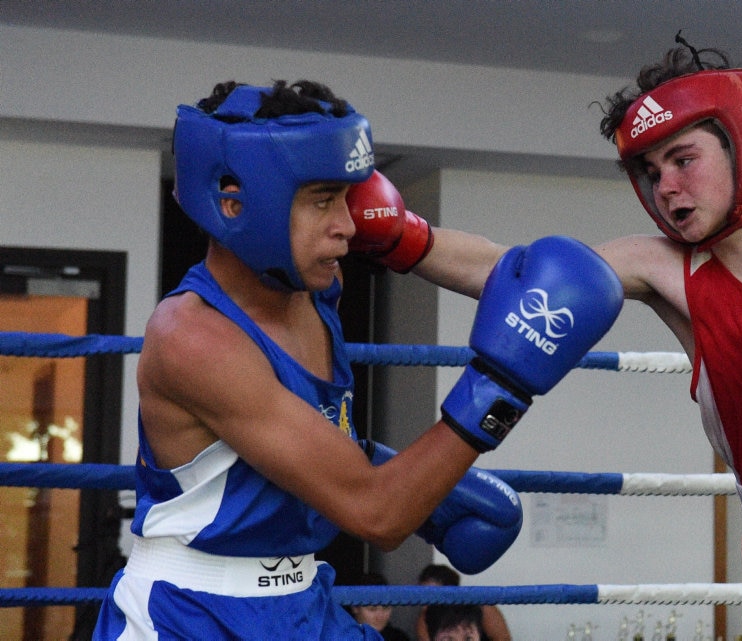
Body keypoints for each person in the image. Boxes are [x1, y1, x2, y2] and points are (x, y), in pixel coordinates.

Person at [350, 35, 742, 640]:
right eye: (651, 171)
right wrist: (402, 237)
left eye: (683, 159)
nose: (666, 187)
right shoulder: (668, 269)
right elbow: (524, 276)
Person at [90, 80, 623, 640]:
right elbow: (378, 516)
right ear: (235, 202)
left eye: (347, 196)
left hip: (302, 601)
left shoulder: (317, 288)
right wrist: (501, 387)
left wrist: (407, 238)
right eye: (323, 200)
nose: (347, 223)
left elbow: (508, 276)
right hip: (195, 615)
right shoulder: (194, 338)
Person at [415, 564, 511, 641]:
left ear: (452, 592)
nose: (425, 602)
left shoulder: (481, 606)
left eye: (432, 595)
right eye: (422, 596)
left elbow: (503, 638)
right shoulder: (425, 618)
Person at [348, 573, 412, 641]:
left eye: (386, 608)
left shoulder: (399, 638)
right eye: (372, 609)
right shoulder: (342, 636)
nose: (380, 616)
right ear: (354, 607)